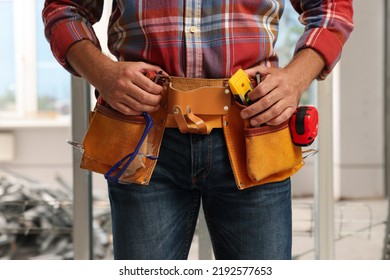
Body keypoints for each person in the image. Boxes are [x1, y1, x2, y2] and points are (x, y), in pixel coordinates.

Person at [42, 0, 354, 260]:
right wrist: (102, 73)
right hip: (144, 135)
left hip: (253, 132)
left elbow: (331, 8)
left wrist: (296, 79)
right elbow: (65, 9)